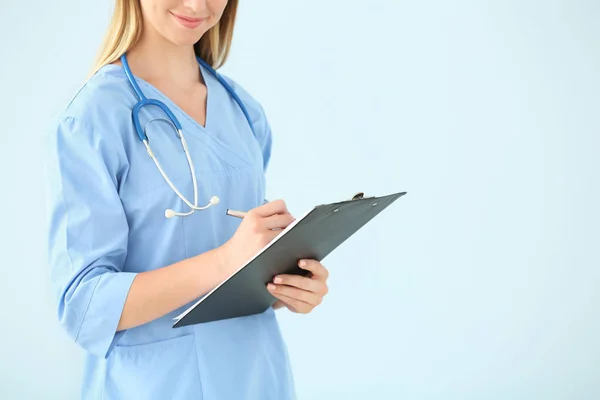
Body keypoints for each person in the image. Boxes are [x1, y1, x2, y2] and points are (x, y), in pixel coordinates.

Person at [44, 1, 330, 398]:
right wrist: (225, 260)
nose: (198, 4)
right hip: (156, 385)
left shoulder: (243, 110)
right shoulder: (91, 120)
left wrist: (285, 285)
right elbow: (85, 308)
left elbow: (240, 270)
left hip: (257, 379)